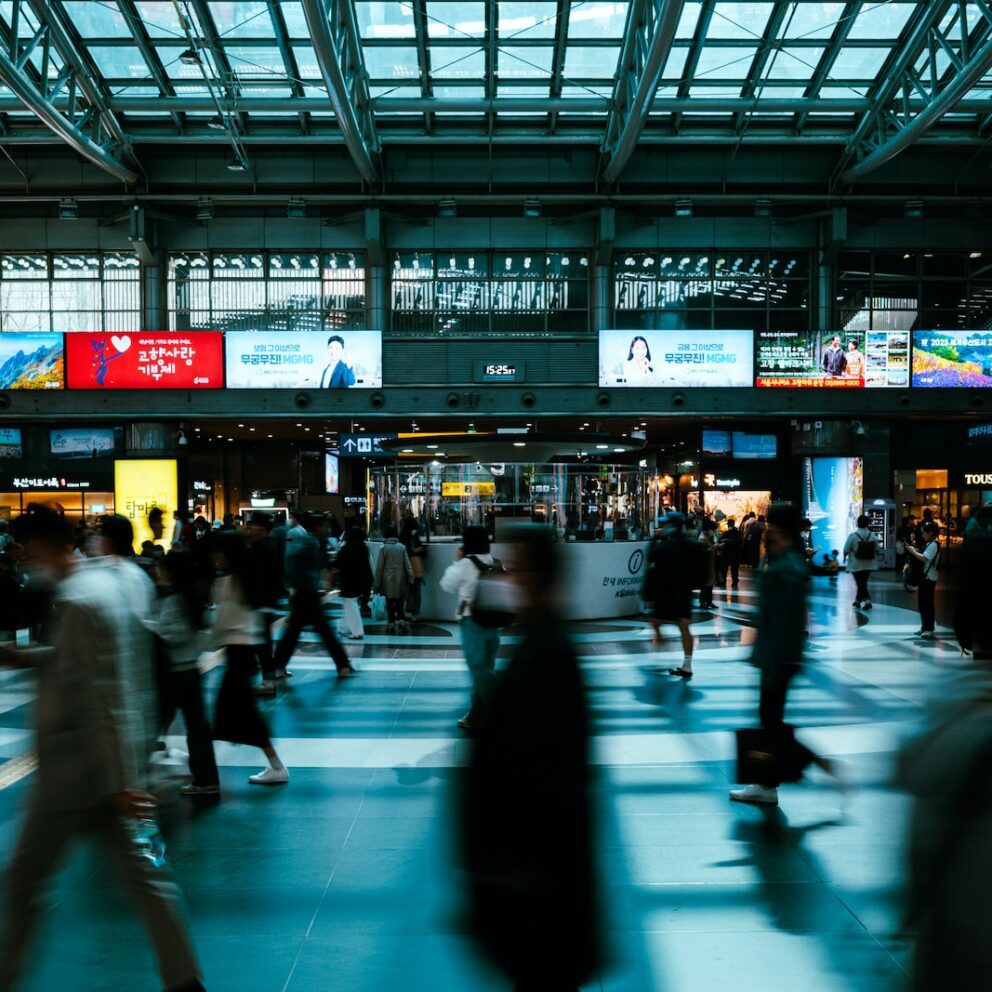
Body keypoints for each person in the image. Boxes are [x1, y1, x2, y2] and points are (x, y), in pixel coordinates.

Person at [0, 504, 206, 992]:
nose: (24, 560)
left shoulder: (76, 600)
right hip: (120, 768)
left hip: (73, 778)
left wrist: (118, 784)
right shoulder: (114, 581)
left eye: (25, 550)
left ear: (39, 546)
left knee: (24, 880)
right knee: (151, 878)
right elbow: (106, 671)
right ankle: (185, 980)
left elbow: (95, 698)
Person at [458, 525, 602, 992]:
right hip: (531, 873)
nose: (512, 575)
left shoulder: (551, 654)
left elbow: (553, 775)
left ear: (541, 575)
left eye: (521, 566)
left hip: (534, 877)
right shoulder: (541, 643)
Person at [729, 502, 845, 806]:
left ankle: (784, 779)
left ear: (776, 528)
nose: (765, 528)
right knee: (771, 719)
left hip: (777, 658)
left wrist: (770, 661)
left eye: (769, 524)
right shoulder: (788, 562)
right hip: (780, 656)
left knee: (771, 721)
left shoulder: (784, 568)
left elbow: (780, 621)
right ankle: (770, 782)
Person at [210, 532, 289, 785]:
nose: (216, 556)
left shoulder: (230, 583)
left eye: (219, 551)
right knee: (232, 713)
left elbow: (222, 623)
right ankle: (199, 757)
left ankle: (277, 766)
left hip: (238, 653)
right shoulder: (246, 579)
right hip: (244, 654)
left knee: (240, 714)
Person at [152, 550, 220, 797]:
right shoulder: (193, 598)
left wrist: (153, 631)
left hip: (173, 674)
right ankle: (206, 779)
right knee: (198, 729)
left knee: (153, 724)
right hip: (192, 670)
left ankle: (136, 778)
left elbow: (171, 635)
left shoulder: (173, 600)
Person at [273, 513, 357, 678]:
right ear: (317, 527)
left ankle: (278, 665)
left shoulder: (304, 542)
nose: (327, 529)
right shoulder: (310, 543)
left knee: (296, 633)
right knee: (322, 632)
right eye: (325, 526)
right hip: (307, 595)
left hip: (303, 594)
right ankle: (343, 665)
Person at [440, 525, 500, 732]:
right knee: (484, 669)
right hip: (494, 624)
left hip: (472, 622)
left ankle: (504, 710)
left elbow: (446, 584)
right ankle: (475, 716)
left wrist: (457, 560)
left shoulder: (466, 563)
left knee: (479, 670)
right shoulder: (495, 563)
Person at [643, 513, 697, 679]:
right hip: (684, 592)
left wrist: (654, 539)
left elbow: (652, 558)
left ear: (673, 526)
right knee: (684, 626)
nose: (663, 527)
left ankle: (661, 643)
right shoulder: (690, 544)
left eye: (666, 524)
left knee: (655, 621)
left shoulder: (666, 546)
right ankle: (687, 664)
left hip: (667, 592)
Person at [244, 513, 287, 697]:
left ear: (261, 528)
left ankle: (267, 680)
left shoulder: (262, 548)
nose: (248, 529)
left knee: (261, 644)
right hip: (264, 602)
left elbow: (262, 577)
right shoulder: (266, 546)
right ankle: (267, 677)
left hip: (261, 603)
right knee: (261, 643)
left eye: (251, 525)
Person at [335, 527, 373, 641]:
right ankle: (345, 627)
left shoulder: (346, 549)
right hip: (361, 581)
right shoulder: (363, 548)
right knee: (350, 604)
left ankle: (357, 631)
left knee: (350, 604)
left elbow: (338, 564)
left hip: (348, 581)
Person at [374, 525, 414, 634]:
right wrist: (411, 577)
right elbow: (407, 564)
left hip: (387, 580)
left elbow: (379, 567)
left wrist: (376, 583)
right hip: (401, 578)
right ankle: (402, 621)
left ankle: (391, 623)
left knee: (389, 602)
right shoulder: (402, 547)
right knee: (400, 601)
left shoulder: (383, 548)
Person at [906, 521, 941, 638]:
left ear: (930, 533)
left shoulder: (934, 545)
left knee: (927, 604)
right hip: (925, 577)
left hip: (929, 577)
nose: (922, 535)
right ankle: (925, 627)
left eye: (923, 533)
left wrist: (912, 551)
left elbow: (924, 558)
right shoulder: (930, 544)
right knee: (923, 603)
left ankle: (929, 628)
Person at [842, 514, 881, 610]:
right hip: (869, 564)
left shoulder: (853, 536)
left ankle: (866, 602)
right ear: (867, 524)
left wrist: (844, 558)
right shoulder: (872, 535)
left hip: (856, 564)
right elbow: (878, 549)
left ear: (857, 523)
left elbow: (846, 549)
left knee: (860, 583)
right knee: (862, 583)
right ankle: (857, 601)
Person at [400, 516, 427, 623]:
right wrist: (417, 550)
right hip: (415, 569)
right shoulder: (413, 537)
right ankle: (414, 614)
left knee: (406, 592)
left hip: (405, 569)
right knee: (416, 592)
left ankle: (404, 613)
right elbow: (416, 551)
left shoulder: (402, 537)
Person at [697, 518, 718, 610]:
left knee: (710, 585)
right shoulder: (702, 539)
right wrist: (714, 547)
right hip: (705, 565)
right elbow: (702, 552)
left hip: (710, 564)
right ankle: (703, 602)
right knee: (705, 584)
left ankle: (708, 602)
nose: (713, 532)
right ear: (708, 530)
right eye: (712, 530)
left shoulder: (709, 538)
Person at [718, 517, 742, 589]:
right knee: (734, 569)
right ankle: (734, 581)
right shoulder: (737, 532)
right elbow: (739, 542)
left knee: (725, 569)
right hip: (735, 554)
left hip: (727, 553)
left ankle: (724, 581)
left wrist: (726, 540)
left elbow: (721, 540)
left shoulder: (727, 533)